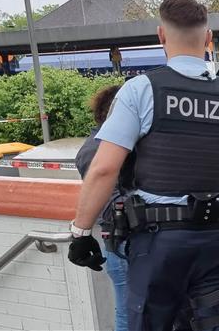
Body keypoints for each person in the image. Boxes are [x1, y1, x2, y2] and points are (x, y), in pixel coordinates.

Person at [67, 0, 219, 330]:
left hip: (157, 243)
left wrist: (81, 230)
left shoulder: (140, 91)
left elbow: (104, 168)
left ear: (161, 35)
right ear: (209, 39)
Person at [74, 85, 128, 331]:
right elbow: (110, 203)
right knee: (129, 316)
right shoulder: (97, 149)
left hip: (130, 243)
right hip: (125, 243)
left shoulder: (106, 145)